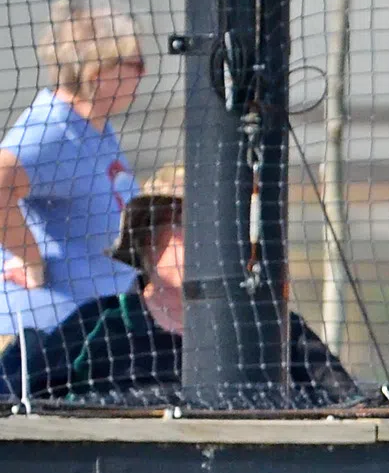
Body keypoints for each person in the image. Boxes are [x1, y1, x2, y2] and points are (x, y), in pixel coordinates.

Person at [0, 167, 357, 406]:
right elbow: (13, 402)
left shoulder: (275, 329)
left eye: (218, 226)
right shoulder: (98, 327)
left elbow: (351, 405)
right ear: (147, 236)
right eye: (187, 223)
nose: (206, 240)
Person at [0, 1, 146, 352]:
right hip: (46, 346)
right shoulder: (52, 129)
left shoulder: (94, 127)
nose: (143, 75)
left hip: (91, 336)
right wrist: (30, 258)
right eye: (136, 65)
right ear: (101, 73)